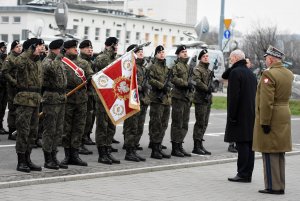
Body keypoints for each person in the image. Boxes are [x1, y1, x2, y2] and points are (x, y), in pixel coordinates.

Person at [253, 45, 293, 195]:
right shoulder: (288, 73)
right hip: (284, 113)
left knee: (269, 151)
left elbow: (266, 102)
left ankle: (272, 186)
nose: (265, 62)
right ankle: (280, 184)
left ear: (270, 59)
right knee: (280, 151)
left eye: (266, 59)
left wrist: (264, 122)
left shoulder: (268, 75)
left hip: (272, 115)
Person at [225, 49, 257, 183]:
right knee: (250, 144)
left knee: (242, 144)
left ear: (235, 58)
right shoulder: (251, 74)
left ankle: (242, 173)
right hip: (251, 113)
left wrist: (232, 115)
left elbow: (234, 97)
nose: (230, 61)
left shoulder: (236, 73)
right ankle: (248, 173)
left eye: (231, 59)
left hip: (239, 114)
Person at [60, 39, 93, 167]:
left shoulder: (83, 63)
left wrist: (91, 79)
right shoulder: (62, 62)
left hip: (81, 100)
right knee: (66, 129)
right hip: (68, 99)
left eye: (76, 47)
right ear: (66, 49)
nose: (75, 49)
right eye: (73, 47)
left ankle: (75, 155)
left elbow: (90, 76)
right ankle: (67, 155)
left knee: (78, 128)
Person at [14, 38, 45, 172]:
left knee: (32, 132)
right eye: (38, 46)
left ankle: (28, 159)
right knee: (23, 131)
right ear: (31, 47)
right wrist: (28, 51)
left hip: (36, 99)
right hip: (24, 100)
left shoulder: (37, 61)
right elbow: (18, 63)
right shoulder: (23, 59)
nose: (41, 48)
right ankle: (21, 162)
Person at [41, 39, 68, 169]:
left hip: (61, 98)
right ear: (54, 49)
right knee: (49, 130)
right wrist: (58, 57)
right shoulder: (47, 61)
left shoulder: (60, 62)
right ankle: (47, 159)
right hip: (51, 99)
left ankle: (54, 156)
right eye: (61, 49)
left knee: (58, 131)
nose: (63, 51)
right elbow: (51, 69)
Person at [94, 37, 120, 165]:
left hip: (113, 96)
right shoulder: (101, 58)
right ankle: (102, 153)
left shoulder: (115, 58)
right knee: (102, 126)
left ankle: (108, 150)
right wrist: (111, 53)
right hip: (102, 96)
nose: (117, 48)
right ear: (110, 46)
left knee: (111, 125)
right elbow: (106, 70)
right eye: (115, 45)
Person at [122, 44, 147, 162]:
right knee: (131, 127)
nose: (141, 53)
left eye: (142, 51)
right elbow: (128, 82)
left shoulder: (142, 67)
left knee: (137, 127)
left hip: (141, 100)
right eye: (139, 51)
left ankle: (133, 149)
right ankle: (129, 152)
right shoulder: (130, 66)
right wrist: (139, 87)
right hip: (132, 100)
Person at [148, 45, 171, 159]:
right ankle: (155, 149)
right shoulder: (152, 66)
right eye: (159, 52)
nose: (162, 54)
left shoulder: (166, 68)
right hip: (157, 98)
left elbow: (170, 80)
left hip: (166, 100)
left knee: (164, 124)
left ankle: (159, 145)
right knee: (156, 124)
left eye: (163, 52)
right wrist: (161, 86)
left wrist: (168, 86)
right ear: (156, 54)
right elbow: (150, 79)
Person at [170, 45, 193, 157]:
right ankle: (175, 147)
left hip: (186, 97)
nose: (185, 53)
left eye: (186, 51)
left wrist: (191, 87)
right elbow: (173, 78)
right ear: (178, 54)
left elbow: (191, 80)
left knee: (184, 123)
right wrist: (185, 84)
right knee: (177, 123)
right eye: (183, 52)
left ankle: (180, 144)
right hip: (178, 97)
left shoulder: (188, 67)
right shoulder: (176, 66)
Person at [191, 49, 212, 155]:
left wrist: (210, 88)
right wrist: (206, 88)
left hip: (207, 99)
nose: (206, 58)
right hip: (200, 99)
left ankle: (200, 144)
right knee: (200, 122)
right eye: (204, 56)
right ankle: (196, 145)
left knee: (205, 123)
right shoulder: (197, 69)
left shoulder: (208, 70)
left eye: (207, 56)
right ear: (200, 58)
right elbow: (197, 81)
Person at [78, 40, 95, 155]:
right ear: (81, 49)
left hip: (90, 95)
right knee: (81, 122)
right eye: (87, 48)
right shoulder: (80, 62)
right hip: (82, 95)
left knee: (88, 121)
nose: (90, 50)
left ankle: (83, 141)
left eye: (91, 48)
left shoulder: (90, 62)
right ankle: (78, 144)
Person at [221, 63, 237, 153]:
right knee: (232, 122)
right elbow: (224, 75)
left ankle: (237, 143)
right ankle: (231, 144)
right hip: (233, 100)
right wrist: (232, 67)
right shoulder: (233, 70)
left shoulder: (247, 72)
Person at [0, 41, 9, 136]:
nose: (4, 50)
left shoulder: (4, 58)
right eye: (3, 48)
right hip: (0, 86)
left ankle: (0, 126)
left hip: (4, 86)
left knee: (2, 108)